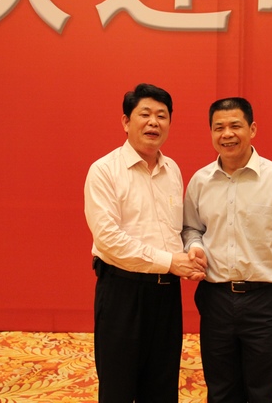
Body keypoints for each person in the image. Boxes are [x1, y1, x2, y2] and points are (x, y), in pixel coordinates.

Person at [182, 97, 272, 403]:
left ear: (252, 129)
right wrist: (196, 246)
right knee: (220, 391)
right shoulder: (200, 181)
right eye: (219, 127)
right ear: (211, 133)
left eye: (235, 126)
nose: (227, 134)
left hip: (265, 303)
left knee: (262, 392)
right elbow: (190, 229)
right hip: (215, 300)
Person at [84, 83, 206, 402]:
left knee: (162, 387)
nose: (154, 122)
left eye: (162, 116)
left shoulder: (172, 170)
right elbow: (108, 239)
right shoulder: (104, 171)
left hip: (166, 295)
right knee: (118, 388)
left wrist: (191, 253)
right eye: (145, 114)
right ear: (126, 122)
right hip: (122, 293)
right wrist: (170, 262)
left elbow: (175, 230)